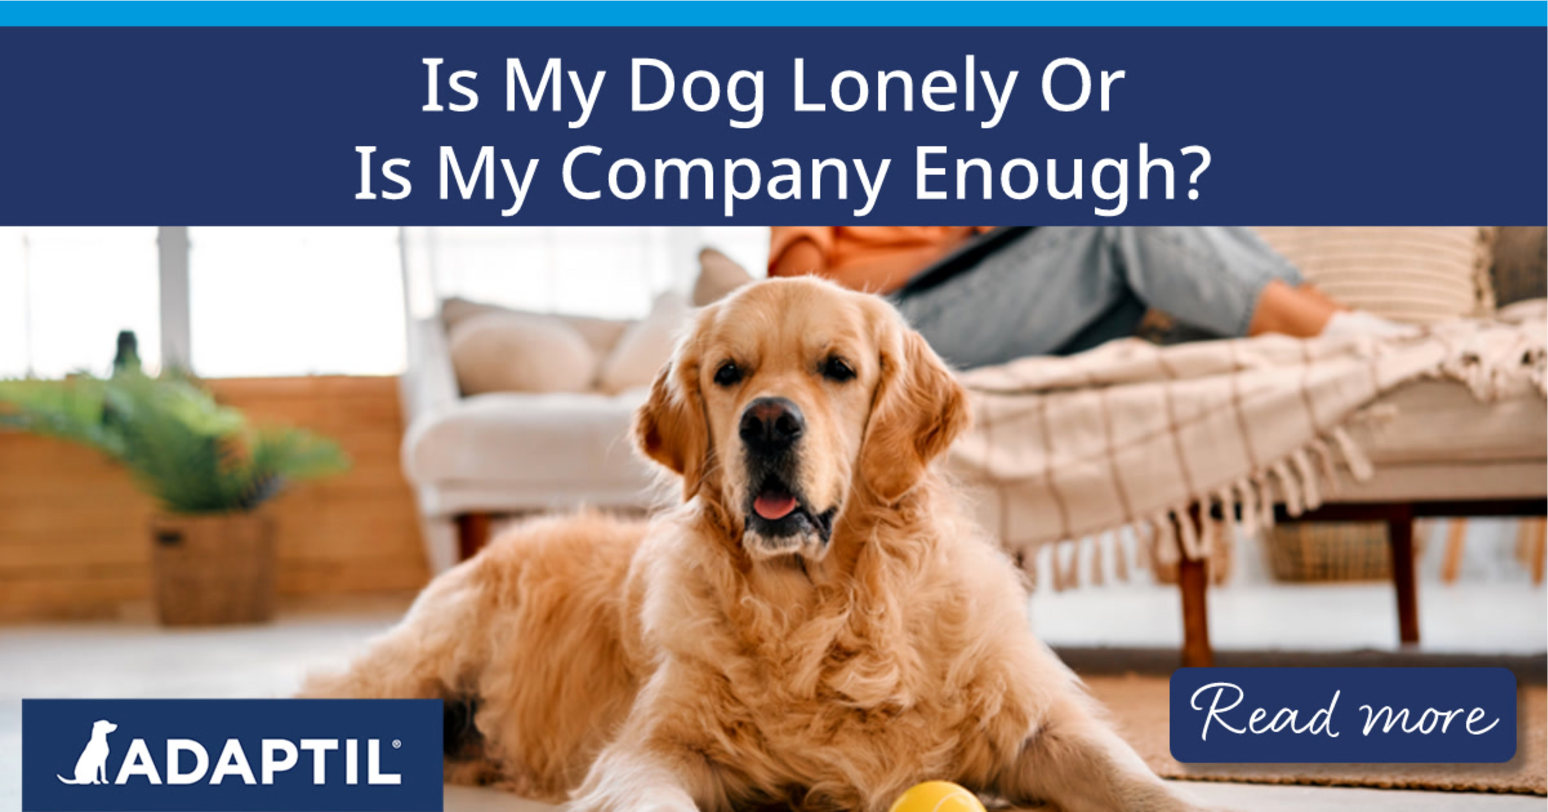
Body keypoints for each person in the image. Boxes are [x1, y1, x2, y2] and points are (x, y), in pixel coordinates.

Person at [768, 226, 1409, 369]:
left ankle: (1330, 324)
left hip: (977, 293)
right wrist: (941, 253)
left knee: (1158, 265)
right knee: (1121, 223)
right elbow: (801, 297)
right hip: (895, 321)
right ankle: (1345, 336)